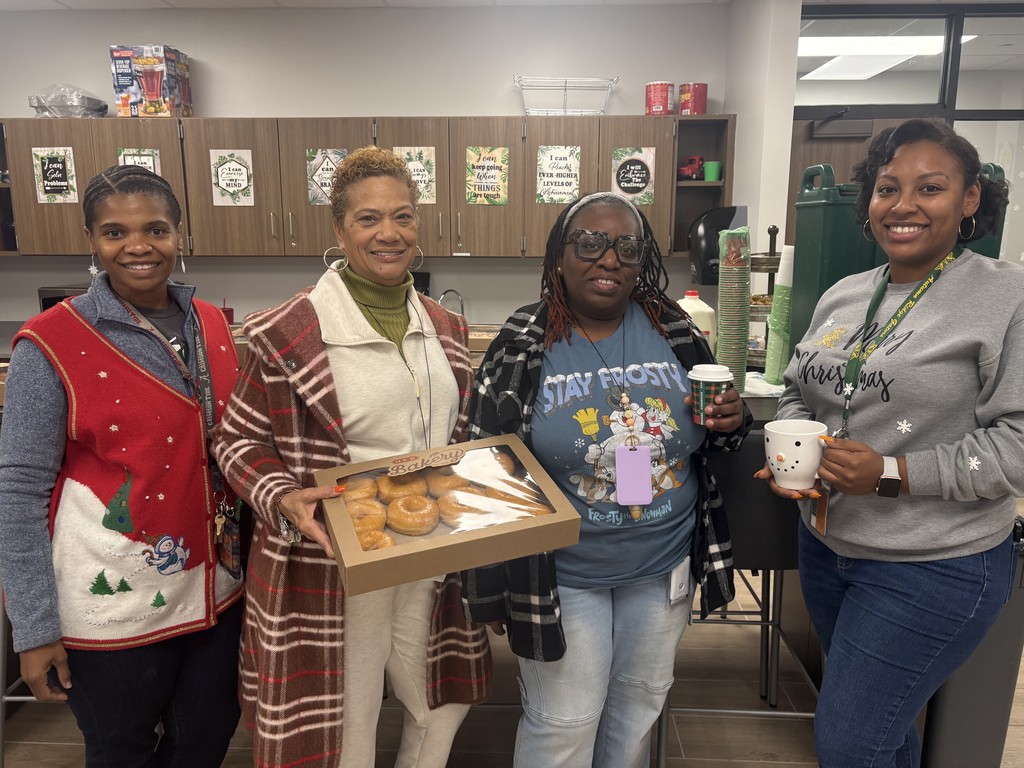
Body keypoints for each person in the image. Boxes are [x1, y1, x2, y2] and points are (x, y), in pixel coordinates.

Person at [210, 146, 491, 768]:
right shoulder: (286, 332)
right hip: (334, 558)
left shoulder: (446, 327)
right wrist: (281, 495)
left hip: (430, 548)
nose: (388, 233)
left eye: (403, 216)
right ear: (339, 230)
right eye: (368, 219)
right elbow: (235, 440)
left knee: (440, 698)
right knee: (345, 717)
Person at [756, 118, 1024, 767]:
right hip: (829, 547)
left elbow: (1017, 445)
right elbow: (797, 388)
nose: (902, 205)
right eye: (886, 188)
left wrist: (890, 472)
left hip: (934, 565)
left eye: (929, 188)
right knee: (886, 728)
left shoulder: (1005, 295)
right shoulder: (847, 294)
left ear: (968, 200)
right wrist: (807, 450)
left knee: (849, 740)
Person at [461, 191, 753, 768]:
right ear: (558, 257)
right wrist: (490, 580)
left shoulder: (674, 329)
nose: (609, 259)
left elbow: (713, 435)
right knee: (564, 724)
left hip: (662, 566)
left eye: (626, 246)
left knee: (638, 708)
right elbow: (484, 466)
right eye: (590, 243)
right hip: (564, 572)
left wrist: (735, 418)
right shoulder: (522, 342)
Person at [0, 164, 244, 766]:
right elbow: (17, 490)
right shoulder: (49, 343)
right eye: (115, 232)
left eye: (155, 229)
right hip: (112, 603)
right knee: (121, 751)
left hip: (217, 591)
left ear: (179, 235)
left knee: (204, 741)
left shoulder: (212, 323)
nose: (138, 246)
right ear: (92, 240)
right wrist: (33, 629)